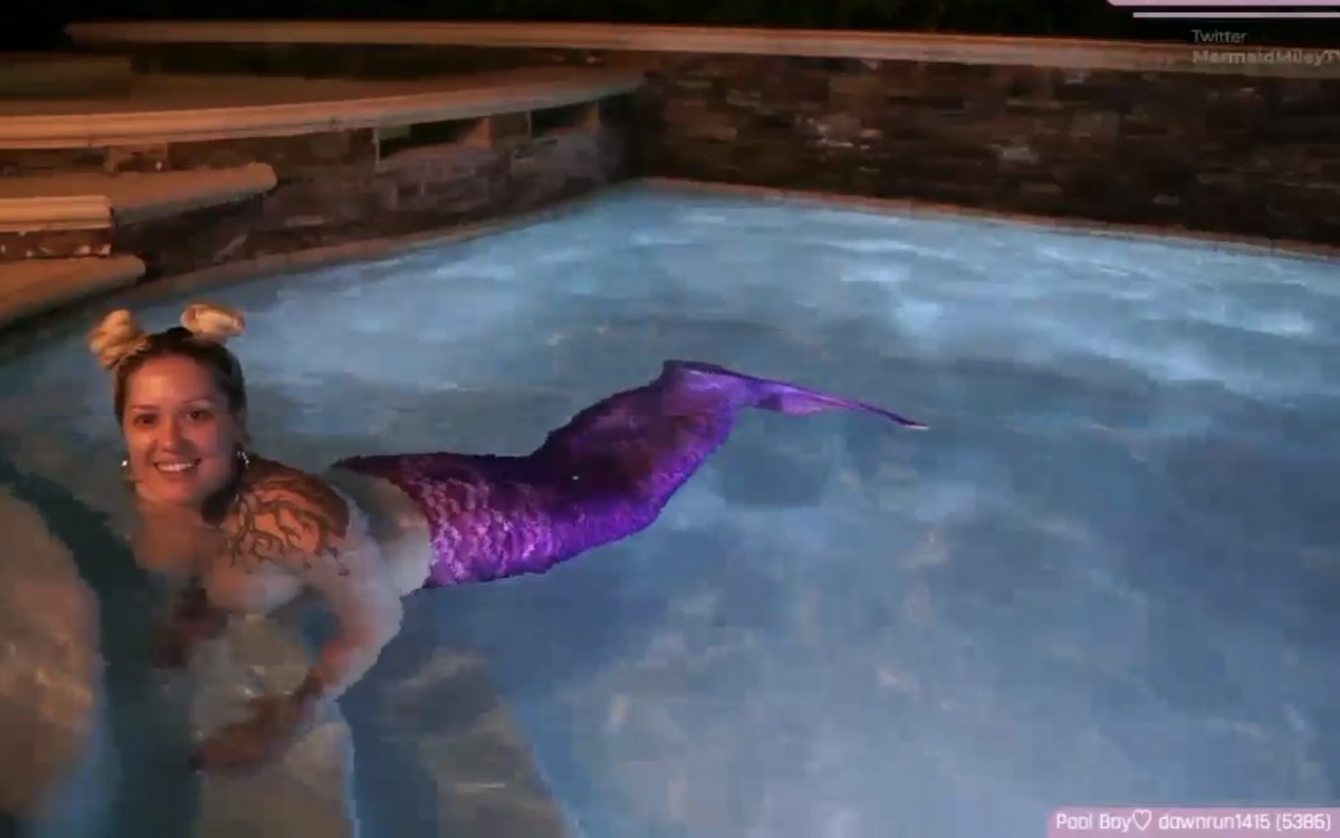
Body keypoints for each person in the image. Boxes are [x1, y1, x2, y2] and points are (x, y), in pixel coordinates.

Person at [87, 301, 924, 773]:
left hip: (467, 525)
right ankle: (678, 393)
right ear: (123, 426)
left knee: (624, 500)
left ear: (237, 421)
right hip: (387, 486)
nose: (170, 442)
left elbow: (372, 620)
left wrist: (295, 712)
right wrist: (192, 620)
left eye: (196, 415)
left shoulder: (289, 516)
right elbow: (216, 555)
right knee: (556, 466)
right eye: (147, 419)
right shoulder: (164, 484)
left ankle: (716, 397)